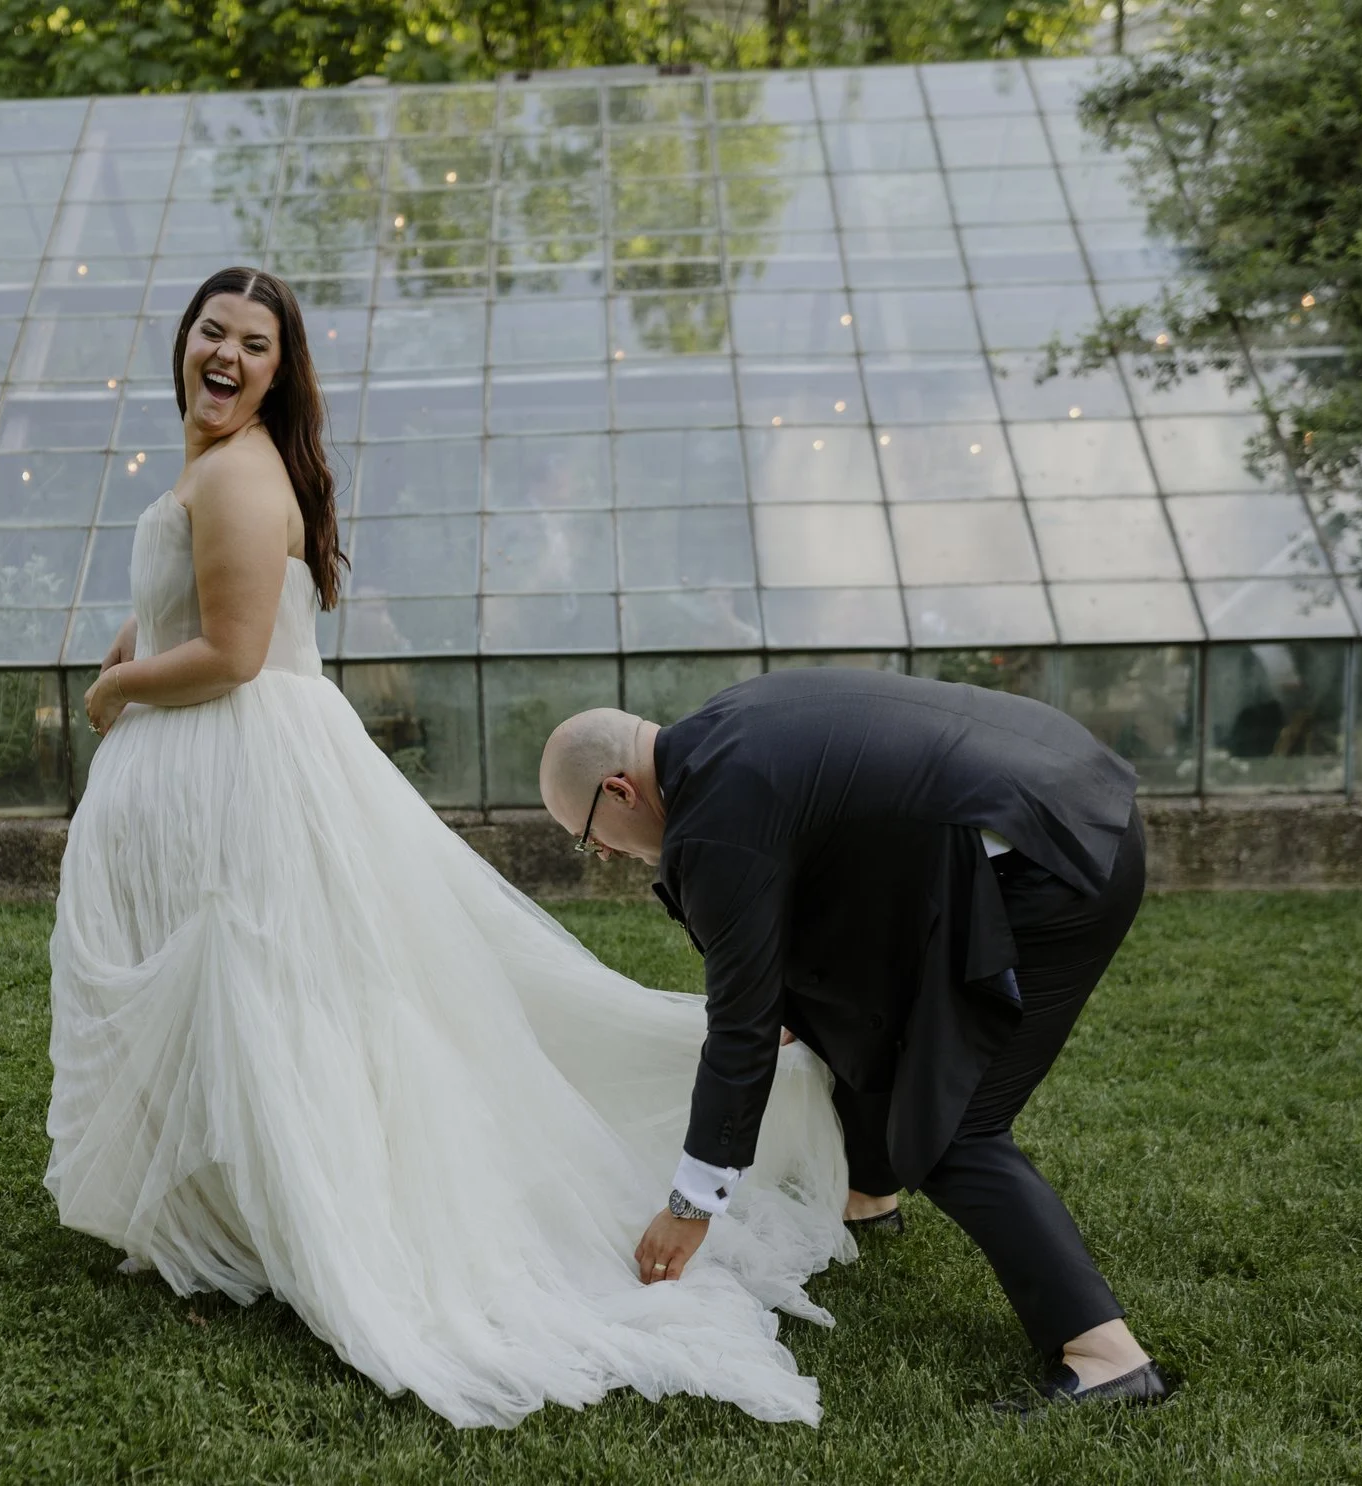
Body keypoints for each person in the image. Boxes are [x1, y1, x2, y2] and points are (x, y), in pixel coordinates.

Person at [44, 266, 853, 1429]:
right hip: (246, 759)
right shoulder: (217, 468)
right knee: (260, 988)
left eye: (254, 344)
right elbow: (205, 607)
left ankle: (315, 1209)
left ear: (280, 372)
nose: (226, 354)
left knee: (277, 990)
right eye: (211, 332)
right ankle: (243, 1199)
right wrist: (138, 632)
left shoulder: (232, 472)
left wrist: (113, 687)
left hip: (244, 761)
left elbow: (229, 652)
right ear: (182, 343)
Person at [538, 676, 1174, 1412]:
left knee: (953, 1127)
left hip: (1058, 852)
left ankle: (1106, 1356)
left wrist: (692, 1202)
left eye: (589, 838)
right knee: (849, 1007)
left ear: (619, 790)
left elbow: (740, 1029)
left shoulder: (715, 821)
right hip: (1060, 792)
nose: (605, 855)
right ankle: (868, 1194)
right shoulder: (721, 734)